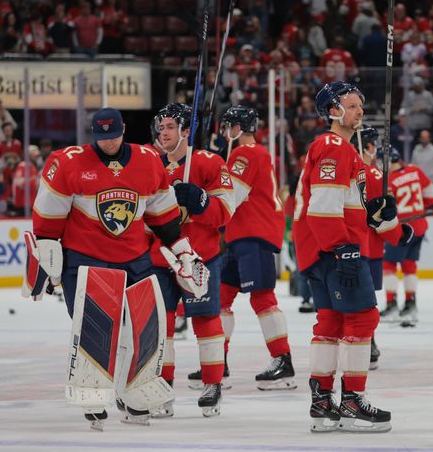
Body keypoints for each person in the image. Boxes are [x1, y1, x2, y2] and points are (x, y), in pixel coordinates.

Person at [29, 108, 207, 427]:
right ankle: (92, 390)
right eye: (102, 138)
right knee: (96, 326)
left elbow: (162, 216)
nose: (108, 144)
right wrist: (45, 253)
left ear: (124, 129)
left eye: (113, 137)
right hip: (85, 257)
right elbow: (47, 219)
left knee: (141, 326)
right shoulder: (67, 162)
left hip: (134, 257)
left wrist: (183, 250)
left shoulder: (148, 160)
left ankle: (133, 392)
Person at [293, 81, 400, 433]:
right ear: (333, 111)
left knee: (330, 323)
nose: (359, 112)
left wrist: (378, 215)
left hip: (319, 252)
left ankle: (322, 403)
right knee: (363, 319)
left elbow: (343, 204)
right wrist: (343, 247)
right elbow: (323, 207)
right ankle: (352, 401)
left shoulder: (338, 149)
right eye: (352, 106)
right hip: (334, 252)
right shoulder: (334, 145)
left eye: (359, 106)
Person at [148, 103, 235, 418]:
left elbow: (224, 214)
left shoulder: (210, 163)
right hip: (161, 256)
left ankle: (212, 385)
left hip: (200, 255)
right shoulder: (151, 163)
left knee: (205, 320)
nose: (163, 132)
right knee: (162, 324)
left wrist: (200, 201)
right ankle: (162, 388)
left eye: (170, 126)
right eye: (162, 127)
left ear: (187, 130)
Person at [202, 105, 296, 391]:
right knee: (223, 297)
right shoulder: (249, 154)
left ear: (238, 128)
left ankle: (283, 360)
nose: (224, 132)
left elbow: (232, 194)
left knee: (262, 297)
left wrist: (204, 187)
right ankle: (219, 360)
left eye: (228, 126)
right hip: (240, 234)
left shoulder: (246, 153)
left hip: (253, 232)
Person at [355, 124, 410, 369]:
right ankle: (368, 344)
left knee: (351, 298)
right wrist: (400, 234)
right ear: (368, 147)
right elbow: (383, 221)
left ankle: (360, 344)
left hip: (343, 244)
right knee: (365, 299)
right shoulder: (374, 175)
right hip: (369, 248)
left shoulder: (345, 169)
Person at [380, 147, 433, 324]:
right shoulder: (415, 170)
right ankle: (411, 305)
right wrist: (418, 207)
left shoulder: (388, 181)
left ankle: (391, 305)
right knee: (409, 264)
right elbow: (432, 196)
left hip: (402, 229)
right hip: (419, 226)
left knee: (389, 263)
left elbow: (385, 210)